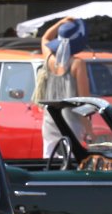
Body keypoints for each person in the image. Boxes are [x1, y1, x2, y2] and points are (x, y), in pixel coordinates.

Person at [38, 16, 91, 156]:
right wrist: (89, 131)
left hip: (50, 121)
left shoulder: (49, 59)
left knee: (49, 162)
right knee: (71, 164)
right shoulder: (78, 64)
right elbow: (84, 101)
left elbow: (45, 38)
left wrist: (61, 22)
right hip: (71, 124)